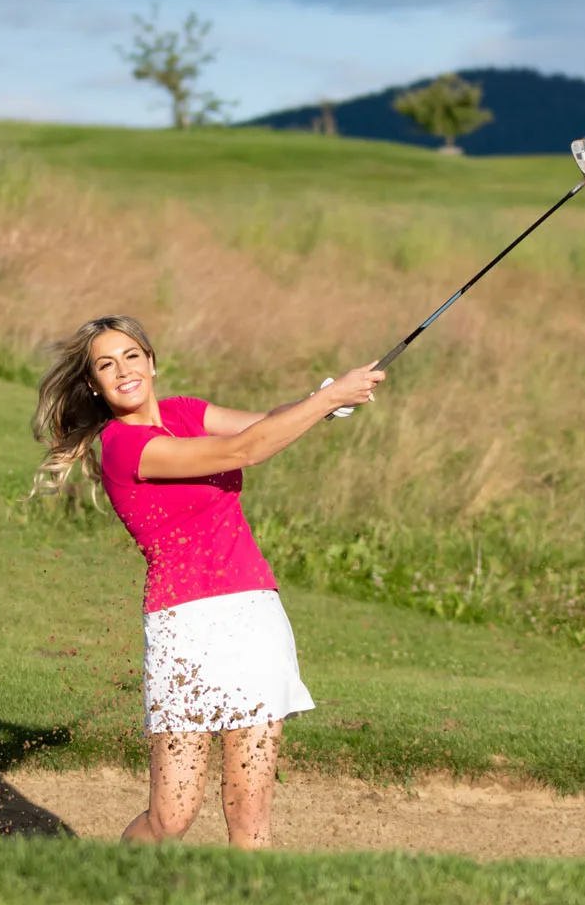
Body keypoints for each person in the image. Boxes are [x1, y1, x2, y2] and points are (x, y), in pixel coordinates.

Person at [30, 315, 383, 849]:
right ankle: (106, 885)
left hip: (254, 617)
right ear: (93, 386)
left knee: (251, 809)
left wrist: (323, 400)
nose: (123, 370)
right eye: (106, 364)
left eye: (131, 356)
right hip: (184, 629)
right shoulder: (123, 446)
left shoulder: (184, 412)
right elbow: (242, 451)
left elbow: (264, 422)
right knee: (172, 816)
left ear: (151, 362)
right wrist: (328, 399)